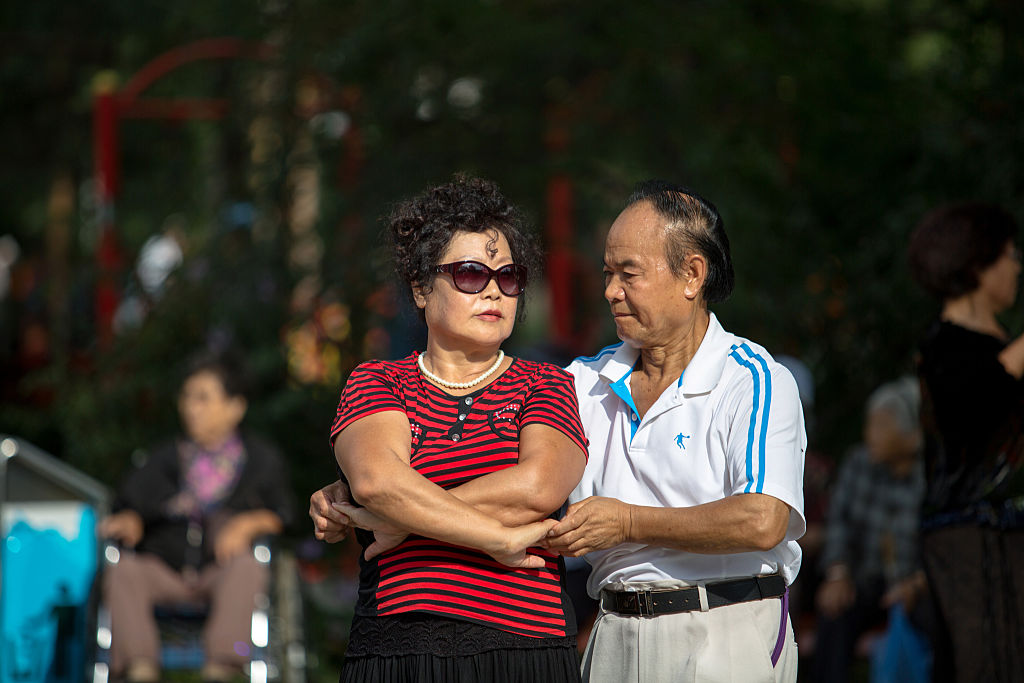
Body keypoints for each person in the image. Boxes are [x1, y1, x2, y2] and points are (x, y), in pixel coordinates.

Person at [322, 175, 589, 682]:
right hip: (399, 647)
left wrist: (400, 518)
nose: (494, 290)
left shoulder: (547, 383)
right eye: (470, 274)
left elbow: (538, 487)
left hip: (524, 648)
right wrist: (494, 536)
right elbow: (377, 482)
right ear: (421, 287)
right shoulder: (379, 380)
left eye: (509, 276)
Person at [99, 352, 294, 683]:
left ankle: (220, 669)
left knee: (247, 566)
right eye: (187, 397)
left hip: (219, 571)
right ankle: (140, 670)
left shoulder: (260, 461)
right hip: (165, 569)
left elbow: (285, 516)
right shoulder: (163, 458)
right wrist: (130, 518)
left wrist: (251, 523)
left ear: (236, 407)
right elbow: (129, 503)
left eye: (203, 398)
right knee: (124, 571)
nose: (191, 407)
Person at [907, 202, 1024, 683]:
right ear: (978, 264)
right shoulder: (945, 347)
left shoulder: (1001, 344)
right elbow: (971, 412)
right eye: (1010, 255)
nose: (1017, 266)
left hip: (1007, 536)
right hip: (969, 541)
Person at [812, 377, 926, 682]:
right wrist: (838, 573)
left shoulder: (931, 478)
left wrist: (916, 584)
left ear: (912, 435)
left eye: (881, 426)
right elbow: (838, 524)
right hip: (864, 580)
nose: (869, 435)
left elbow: (942, 547)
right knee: (834, 611)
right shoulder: (858, 463)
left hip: (913, 587)